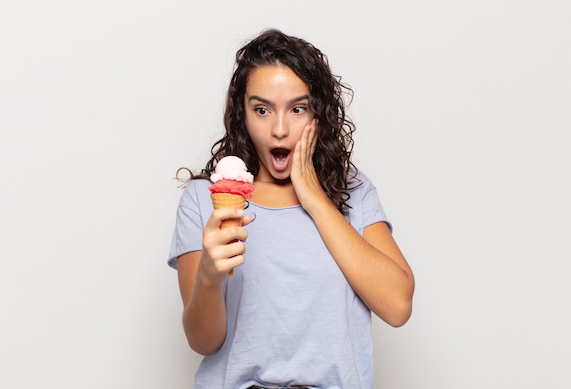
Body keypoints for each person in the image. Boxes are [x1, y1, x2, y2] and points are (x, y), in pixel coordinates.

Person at [167, 28, 415, 389]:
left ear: (319, 115)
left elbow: (397, 306)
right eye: (262, 109)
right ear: (243, 113)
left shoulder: (353, 191)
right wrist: (208, 275)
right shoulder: (205, 199)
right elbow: (203, 341)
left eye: (297, 109)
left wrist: (314, 197)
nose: (279, 129)